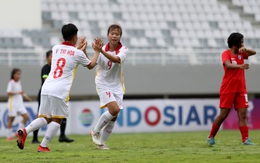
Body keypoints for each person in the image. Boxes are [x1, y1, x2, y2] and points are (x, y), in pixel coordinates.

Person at [16, 23, 102, 152]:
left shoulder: (55, 48)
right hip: (59, 89)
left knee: (45, 118)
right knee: (57, 119)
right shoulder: (76, 53)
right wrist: (97, 51)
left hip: (46, 87)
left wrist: (79, 49)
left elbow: (69, 56)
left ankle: (25, 130)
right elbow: (90, 65)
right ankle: (43, 146)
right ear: (75, 36)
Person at [207, 32, 256, 146]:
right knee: (223, 115)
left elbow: (254, 52)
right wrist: (241, 66)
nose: (243, 43)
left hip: (241, 89)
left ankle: (245, 139)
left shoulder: (241, 53)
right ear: (235, 43)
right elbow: (228, 65)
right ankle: (211, 137)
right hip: (228, 88)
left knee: (242, 114)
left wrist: (245, 49)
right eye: (242, 41)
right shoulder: (226, 53)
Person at [90, 24, 129, 150]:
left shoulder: (124, 49)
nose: (114, 36)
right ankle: (95, 131)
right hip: (103, 83)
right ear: (108, 35)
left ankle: (100, 144)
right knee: (114, 109)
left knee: (114, 116)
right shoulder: (101, 50)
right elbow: (91, 65)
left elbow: (117, 59)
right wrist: (95, 51)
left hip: (117, 86)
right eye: (112, 33)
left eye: (117, 34)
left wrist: (101, 50)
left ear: (120, 37)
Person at [32, 50, 73, 144]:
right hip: (46, 94)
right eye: (51, 56)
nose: (53, 58)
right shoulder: (46, 68)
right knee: (42, 116)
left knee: (61, 114)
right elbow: (46, 79)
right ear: (47, 58)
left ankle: (62, 135)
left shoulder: (56, 68)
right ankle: (35, 138)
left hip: (56, 93)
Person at [6, 68, 32, 140]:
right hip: (13, 104)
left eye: (19, 74)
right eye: (17, 74)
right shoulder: (11, 82)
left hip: (20, 104)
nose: (19, 76)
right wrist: (18, 93)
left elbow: (21, 91)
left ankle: (18, 132)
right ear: (13, 75)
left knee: (26, 117)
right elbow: (8, 92)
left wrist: (26, 97)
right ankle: (8, 136)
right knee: (11, 119)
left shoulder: (19, 82)